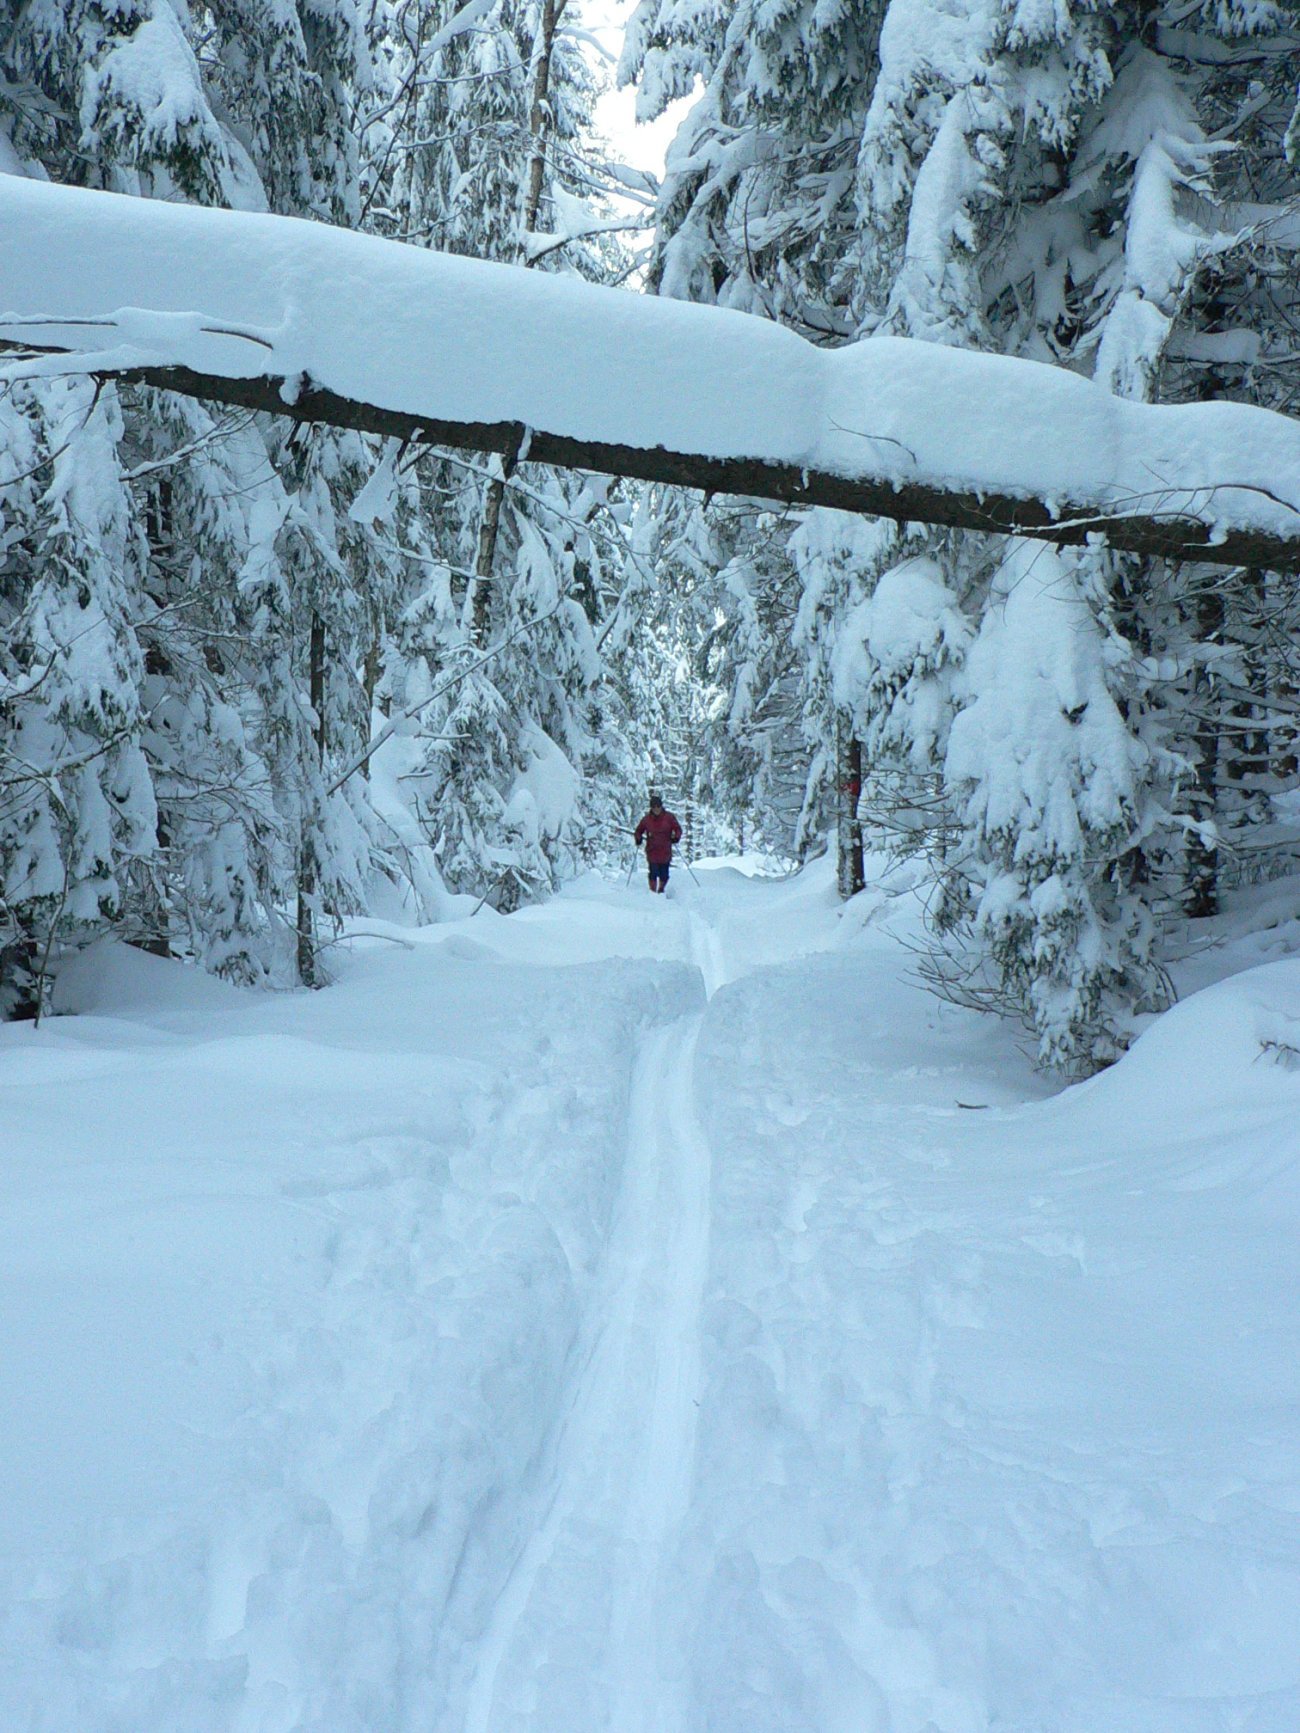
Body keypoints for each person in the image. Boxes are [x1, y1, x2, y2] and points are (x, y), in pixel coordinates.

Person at [634, 793, 682, 893]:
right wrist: (638, 839)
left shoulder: (669, 817)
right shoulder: (646, 820)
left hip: (665, 851)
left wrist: (676, 837)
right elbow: (638, 831)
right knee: (653, 872)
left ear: (661, 806)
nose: (656, 809)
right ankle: (652, 891)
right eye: (654, 807)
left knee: (664, 874)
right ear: (651, 808)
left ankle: (661, 889)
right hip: (652, 851)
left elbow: (678, 829)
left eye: (658, 806)